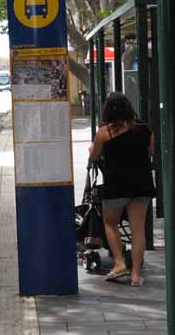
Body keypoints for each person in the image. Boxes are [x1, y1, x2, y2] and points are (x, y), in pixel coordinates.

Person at [89, 93, 155, 287]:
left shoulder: (104, 133)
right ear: (129, 109)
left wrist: (93, 149)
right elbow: (150, 152)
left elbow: (94, 157)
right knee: (138, 230)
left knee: (110, 224)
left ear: (107, 112)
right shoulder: (144, 129)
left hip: (116, 186)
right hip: (141, 185)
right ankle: (135, 275)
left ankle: (119, 263)